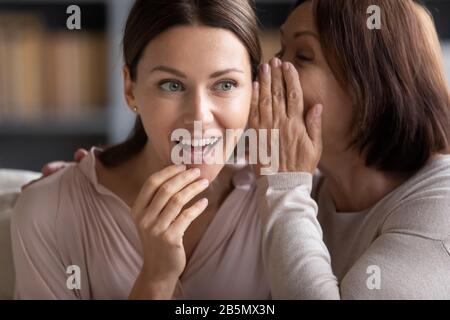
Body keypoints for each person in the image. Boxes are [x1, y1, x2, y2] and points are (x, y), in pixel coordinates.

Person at [11, 0, 270, 300]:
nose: (199, 116)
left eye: (225, 85)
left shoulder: (282, 204)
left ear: (254, 90)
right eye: (171, 85)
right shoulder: (47, 212)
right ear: (130, 89)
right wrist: (156, 278)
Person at [250, 0, 450, 299]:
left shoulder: (442, 204)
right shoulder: (311, 191)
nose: (270, 69)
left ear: (371, 83)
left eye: (303, 56)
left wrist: (284, 184)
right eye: (280, 51)